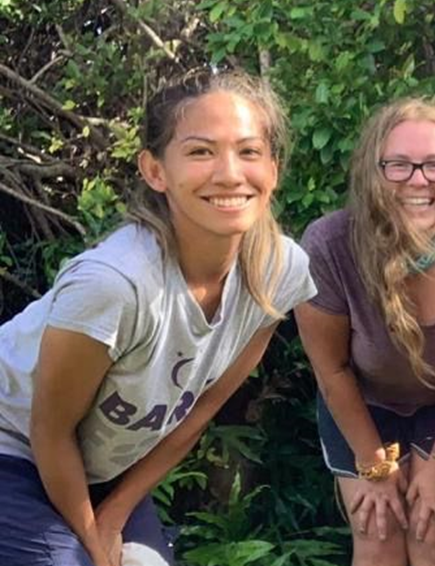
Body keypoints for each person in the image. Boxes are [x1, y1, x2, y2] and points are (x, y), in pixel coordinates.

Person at [0, 70, 316, 566]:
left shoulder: (280, 271)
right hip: (13, 444)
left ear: (273, 169)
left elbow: (202, 407)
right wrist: (94, 542)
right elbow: (49, 430)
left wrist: (114, 516)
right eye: (200, 151)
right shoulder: (115, 284)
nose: (230, 173)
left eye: (249, 151)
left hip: (98, 468)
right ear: (154, 170)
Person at [295, 98, 435, 566]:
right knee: (378, 538)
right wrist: (375, 465)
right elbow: (332, 370)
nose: (419, 180)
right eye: (398, 165)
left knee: (434, 535)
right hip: (360, 400)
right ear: (372, 172)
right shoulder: (329, 244)